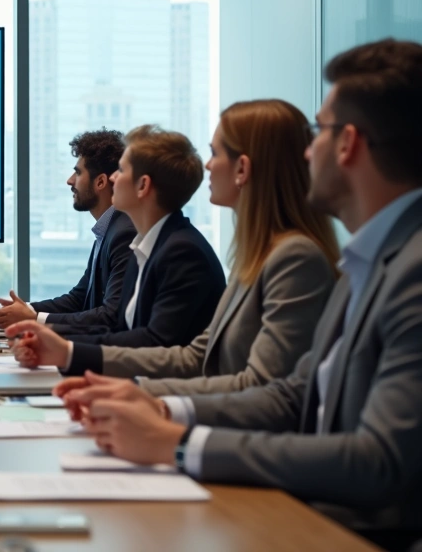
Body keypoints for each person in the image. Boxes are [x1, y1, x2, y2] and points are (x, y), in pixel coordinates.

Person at [56, 39, 422, 550]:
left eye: (319, 132)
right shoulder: (361, 260)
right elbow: (293, 392)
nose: (308, 152)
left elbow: (378, 462)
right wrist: (158, 405)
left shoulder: (392, 270)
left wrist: (179, 441)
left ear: (349, 144)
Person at [9, 100, 340, 395]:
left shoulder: (289, 258)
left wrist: (149, 403)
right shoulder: (252, 256)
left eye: (215, 153)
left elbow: (262, 389)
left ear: (242, 169)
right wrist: (67, 352)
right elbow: (196, 355)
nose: (207, 165)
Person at [34, 125, 226, 348]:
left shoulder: (181, 252)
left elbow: (154, 343)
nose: (114, 177)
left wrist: (64, 347)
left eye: (122, 170)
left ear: (143, 185)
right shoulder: (145, 244)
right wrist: (47, 335)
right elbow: (121, 329)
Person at [0, 129, 135, 328]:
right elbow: (79, 298)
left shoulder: (123, 233)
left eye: (78, 172)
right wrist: (24, 310)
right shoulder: (108, 229)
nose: (70, 180)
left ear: (100, 182)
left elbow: (111, 316)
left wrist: (33, 318)